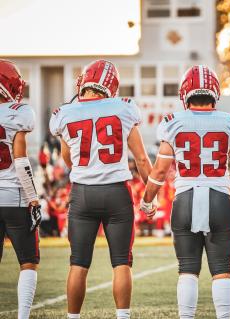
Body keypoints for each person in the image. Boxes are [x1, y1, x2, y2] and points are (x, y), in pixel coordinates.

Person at [140, 65, 230, 319]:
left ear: (185, 93)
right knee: (221, 269)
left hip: (184, 198)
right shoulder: (229, 123)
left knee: (187, 268)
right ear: (215, 92)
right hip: (219, 197)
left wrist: (147, 200)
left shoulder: (173, 123)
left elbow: (160, 171)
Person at [49, 60, 152, 319]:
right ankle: (123, 317)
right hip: (117, 192)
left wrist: (87, 169)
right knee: (121, 263)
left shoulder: (65, 112)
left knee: (78, 263)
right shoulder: (124, 108)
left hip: (82, 193)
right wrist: (150, 196)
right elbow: (141, 159)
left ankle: (73, 317)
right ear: (112, 85)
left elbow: (68, 157)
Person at [0, 59, 41, 319]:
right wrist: (34, 198)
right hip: (14, 196)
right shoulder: (19, 113)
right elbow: (21, 161)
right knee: (28, 261)